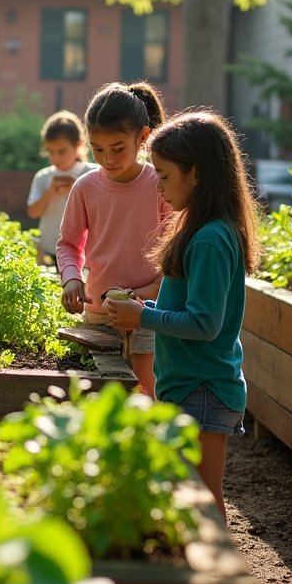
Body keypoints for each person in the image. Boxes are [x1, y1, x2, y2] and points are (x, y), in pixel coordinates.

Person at [102, 109, 259, 522]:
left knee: (203, 500)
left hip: (204, 388)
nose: (159, 187)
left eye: (165, 176)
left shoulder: (210, 238)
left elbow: (205, 325)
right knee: (187, 497)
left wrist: (143, 318)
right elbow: (188, 311)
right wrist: (145, 310)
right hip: (189, 385)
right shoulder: (199, 228)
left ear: (197, 174)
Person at [57, 81, 171, 398]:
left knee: (146, 397)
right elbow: (68, 244)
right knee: (98, 400)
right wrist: (71, 279)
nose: (107, 158)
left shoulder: (160, 185)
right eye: (98, 149)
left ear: (143, 137)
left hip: (149, 313)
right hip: (98, 315)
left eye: (118, 148)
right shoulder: (85, 187)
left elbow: (174, 254)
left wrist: (145, 293)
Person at [27, 110, 94, 265]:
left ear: (79, 146)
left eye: (61, 151)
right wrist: (50, 191)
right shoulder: (43, 177)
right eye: (50, 152)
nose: (55, 158)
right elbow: (33, 212)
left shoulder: (93, 173)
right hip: (49, 250)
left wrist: (77, 188)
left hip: (85, 253)